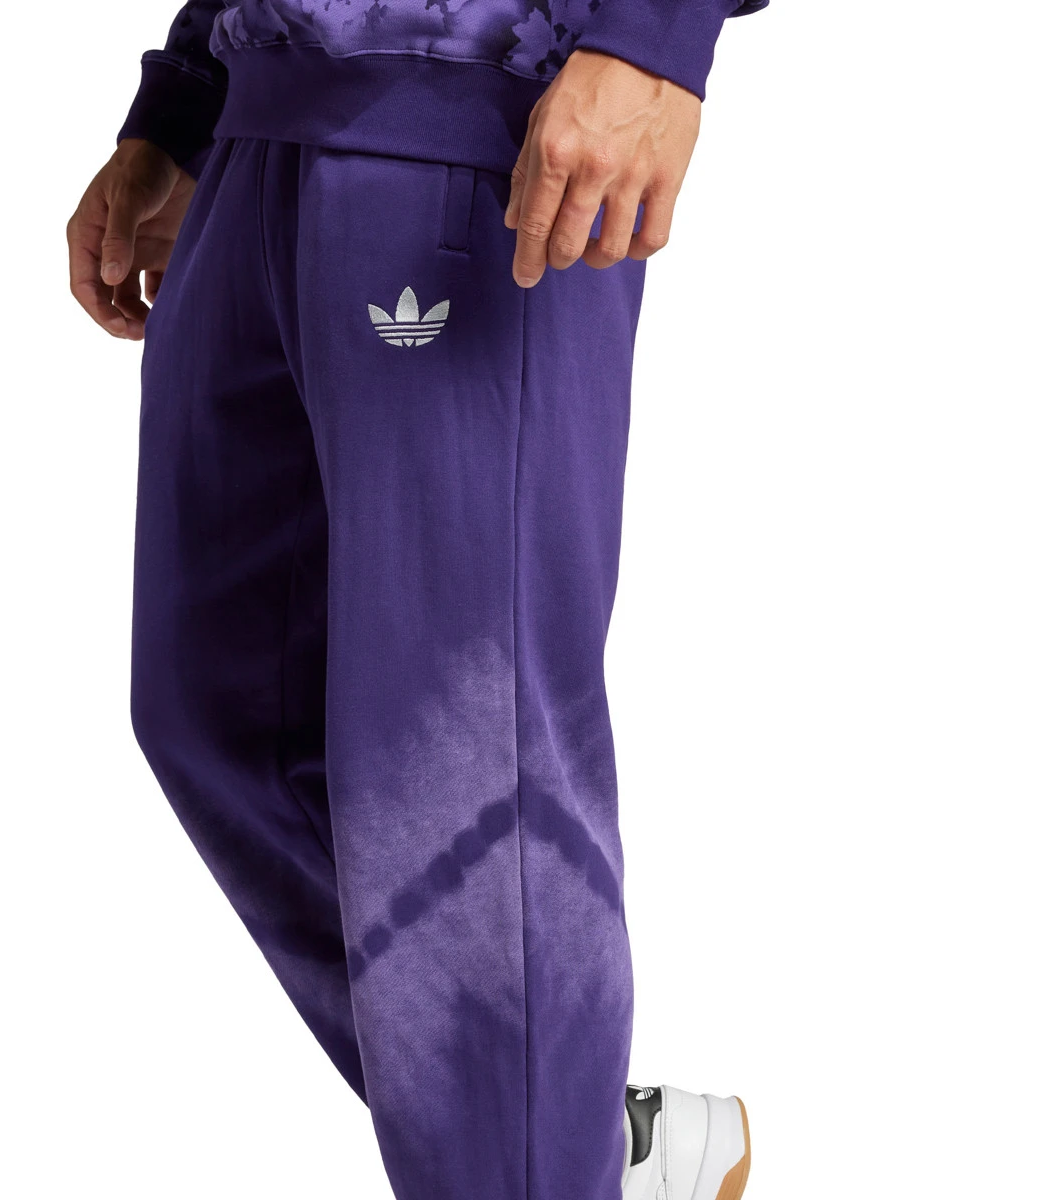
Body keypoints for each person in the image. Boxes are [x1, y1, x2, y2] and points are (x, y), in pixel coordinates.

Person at [66, 4, 765, 1199]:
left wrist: (657, 32)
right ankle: (570, 1143)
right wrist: (185, 102)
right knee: (219, 708)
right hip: (262, 115)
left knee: (461, 766)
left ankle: (544, 1159)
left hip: (488, 106)